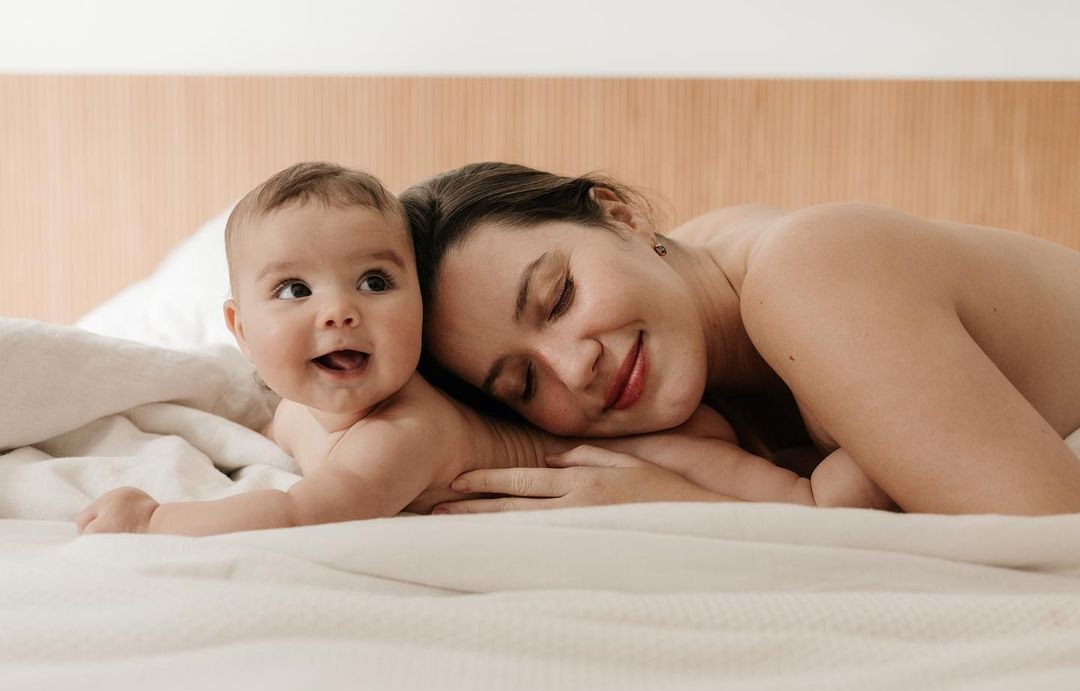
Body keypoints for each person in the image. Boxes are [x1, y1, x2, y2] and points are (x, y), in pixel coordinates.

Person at [77, 162, 865, 537]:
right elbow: (289, 419)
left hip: (645, 455)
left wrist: (153, 523)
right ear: (239, 330)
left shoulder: (399, 436)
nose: (340, 314)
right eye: (294, 292)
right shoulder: (306, 403)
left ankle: (882, 429)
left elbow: (299, 514)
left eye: (376, 283)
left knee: (810, 503)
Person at [400, 162, 1080, 516]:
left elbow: (1051, 535)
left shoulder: (802, 271)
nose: (573, 367)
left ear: (622, 214)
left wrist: (685, 509)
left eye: (560, 297)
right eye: (523, 382)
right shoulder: (692, 304)